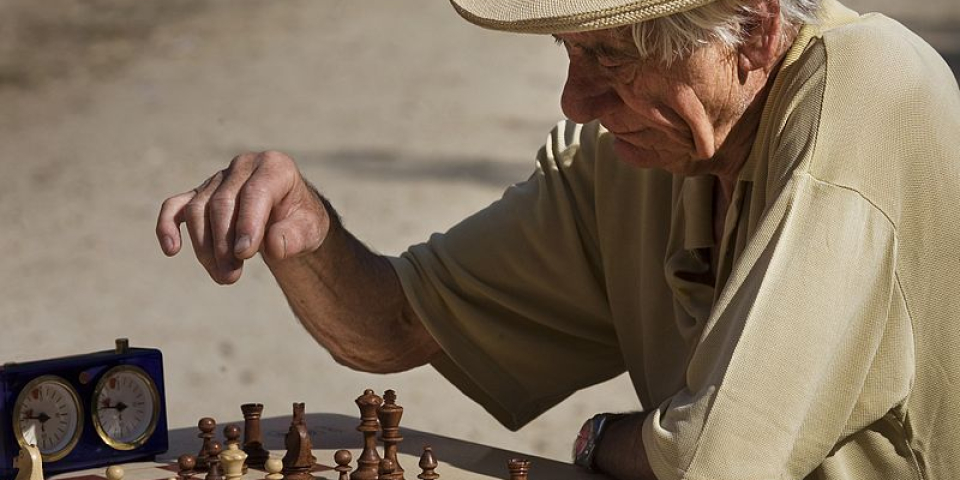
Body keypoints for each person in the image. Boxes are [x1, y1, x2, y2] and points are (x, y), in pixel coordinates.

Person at [156, 0, 960, 477]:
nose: (575, 99)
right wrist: (308, 231)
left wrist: (600, 441)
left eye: (611, 54)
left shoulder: (870, 86)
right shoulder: (635, 156)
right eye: (571, 52)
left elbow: (715, 463)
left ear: (751, 29)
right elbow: (393, 324)